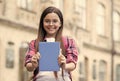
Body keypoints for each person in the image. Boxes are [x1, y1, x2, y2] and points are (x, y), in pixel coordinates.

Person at [25, 6, 78, 81]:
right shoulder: (34, 43)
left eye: (55, 21)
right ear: (42, 23)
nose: (51, 24)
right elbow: (28, 66)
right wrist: (33, 64)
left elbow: (73, 64)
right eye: (47, 21)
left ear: (60, 23)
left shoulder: (69, 41)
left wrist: (64, 65)